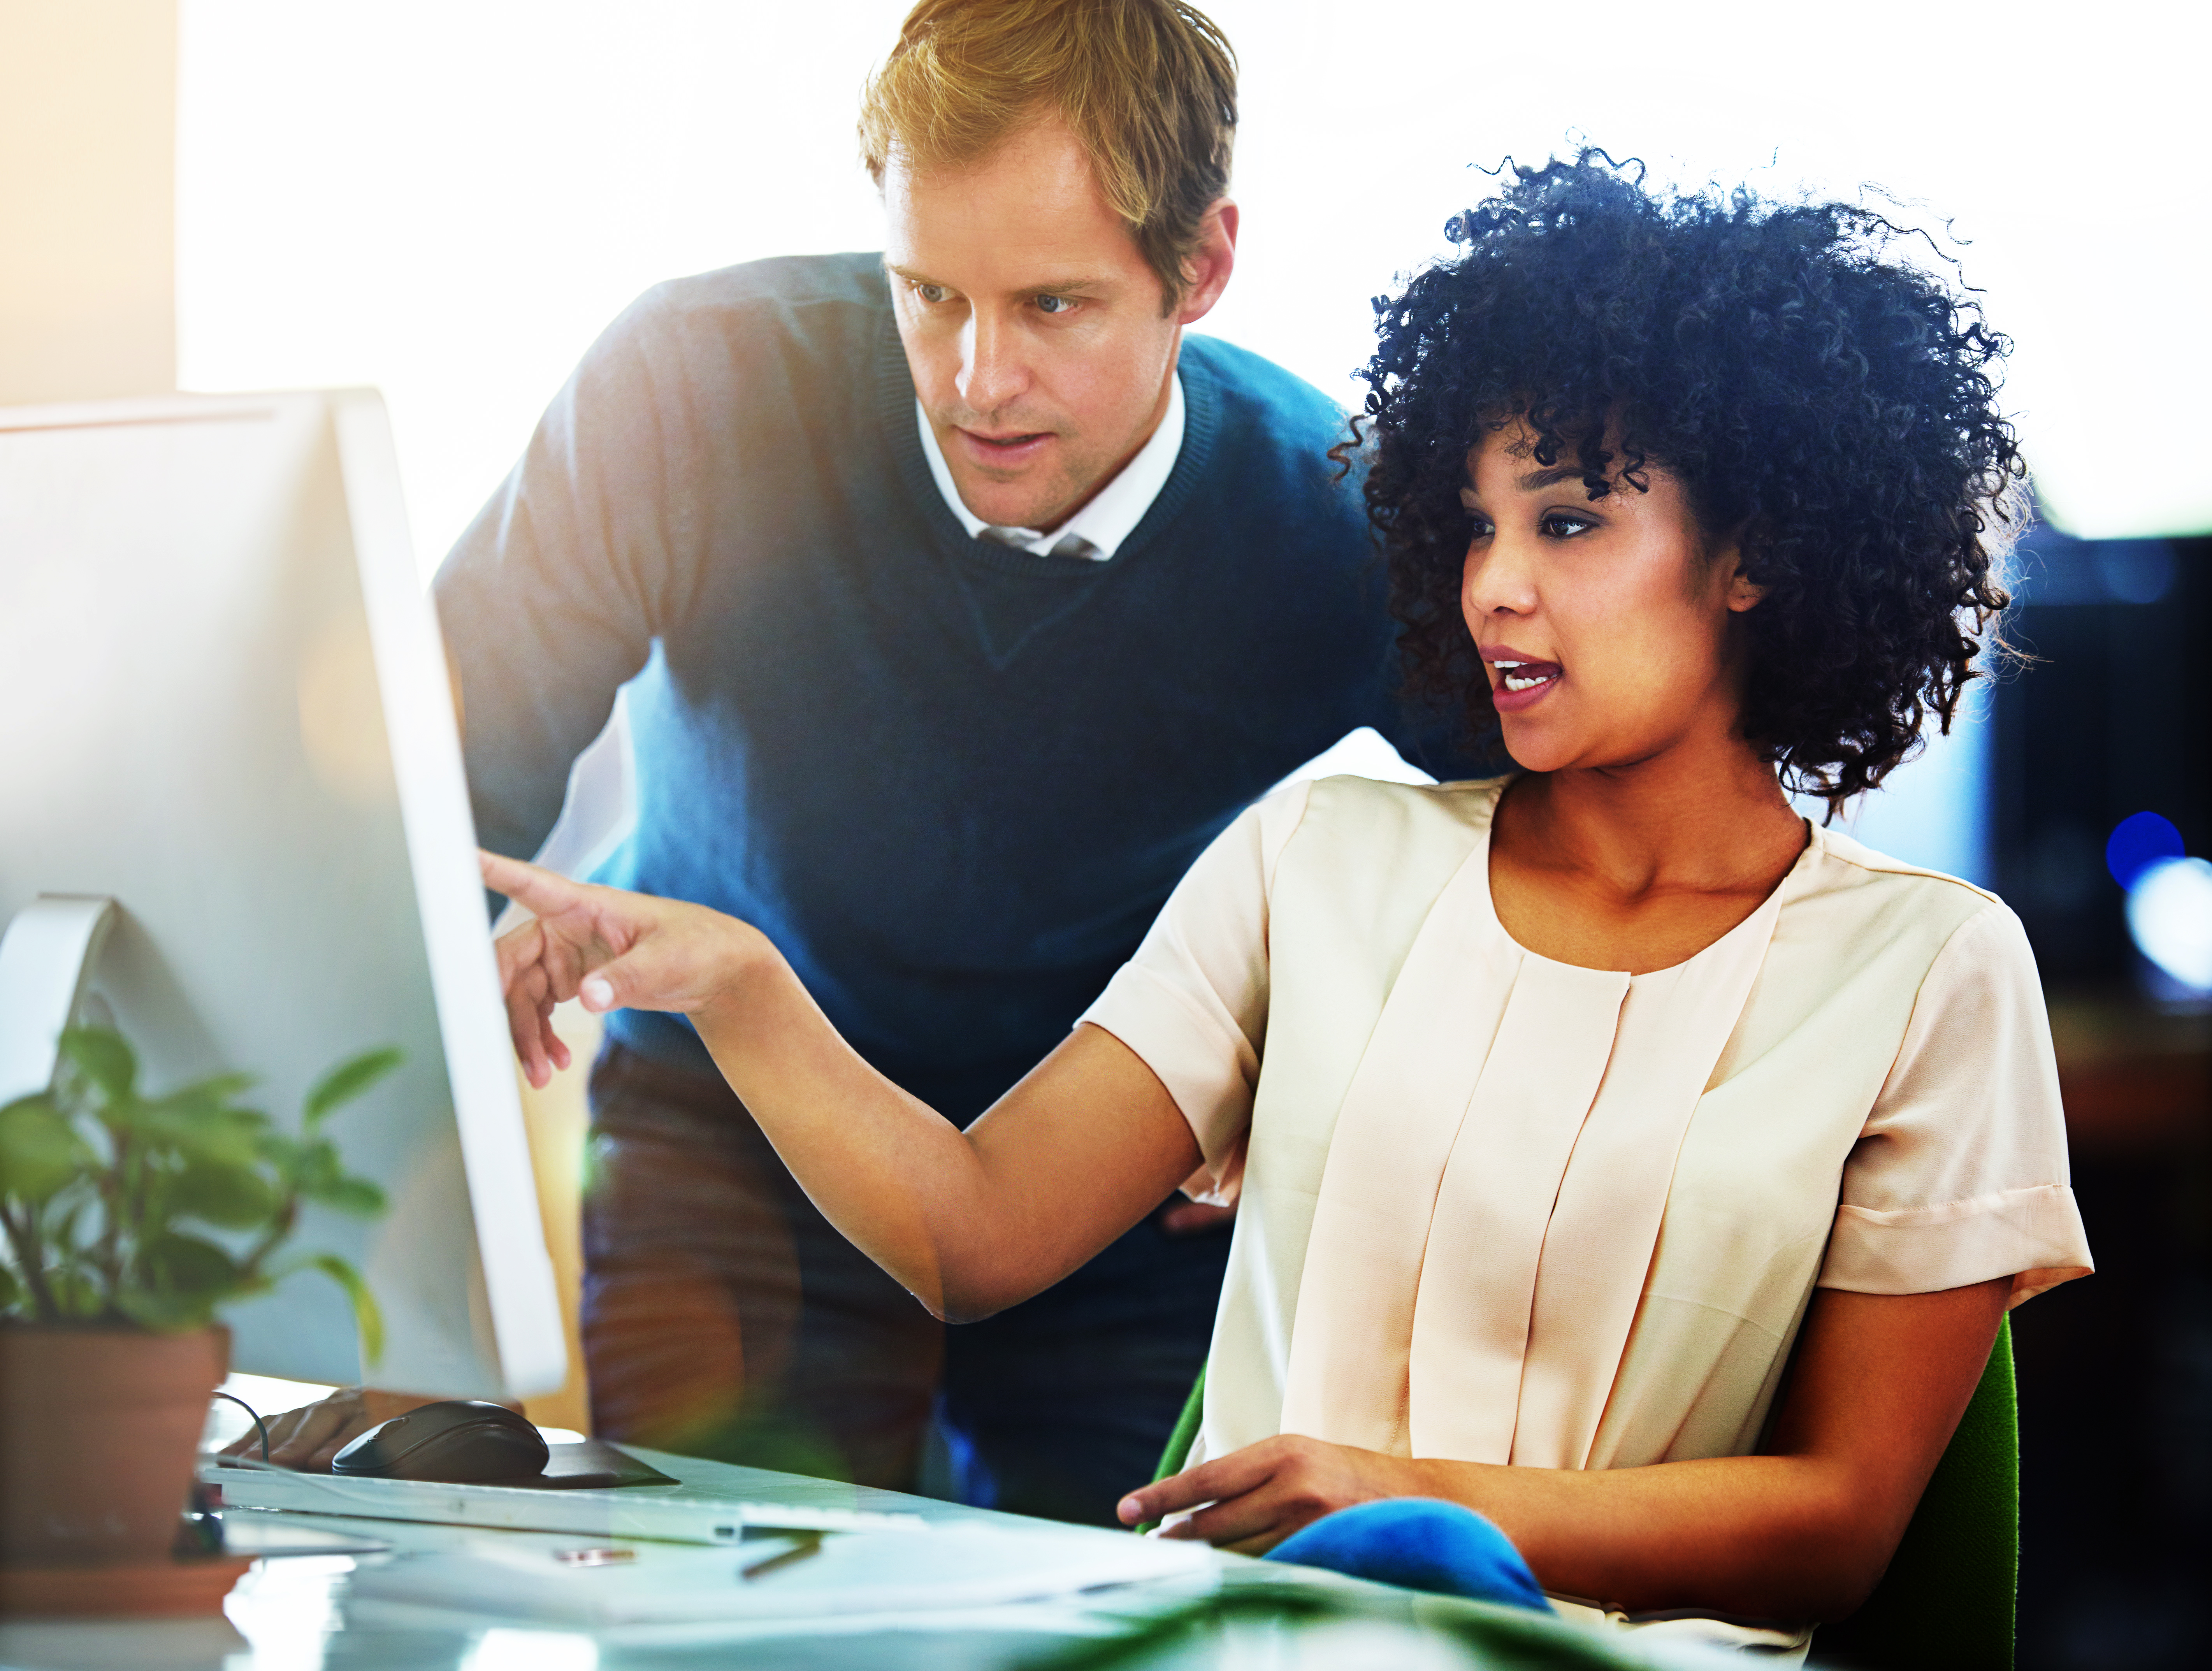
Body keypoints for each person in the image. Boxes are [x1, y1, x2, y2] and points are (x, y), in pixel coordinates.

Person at [478, 155, 2093, 1652]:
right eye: (1472, 526)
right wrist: (739, 982)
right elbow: (971, 1238)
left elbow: (1843, 1527)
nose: (1493, 587)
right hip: (1252, 1640)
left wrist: (1409, 1505)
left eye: (1569, 523)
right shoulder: (1319, 856)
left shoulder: (1927, 971)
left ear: (1755, 552)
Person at [233, 0, 1472, 1522]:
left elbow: (1551, 830)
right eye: (926, 292)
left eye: (1054, 307)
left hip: (1105, 1202)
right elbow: (421, 775)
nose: (975, 379)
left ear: (1199, 268)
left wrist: (1325, 1046)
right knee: (719, 1616)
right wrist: (433, 989)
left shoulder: (1329, 518)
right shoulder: (690, 387)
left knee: (1101, 1619)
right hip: (726, 1140)